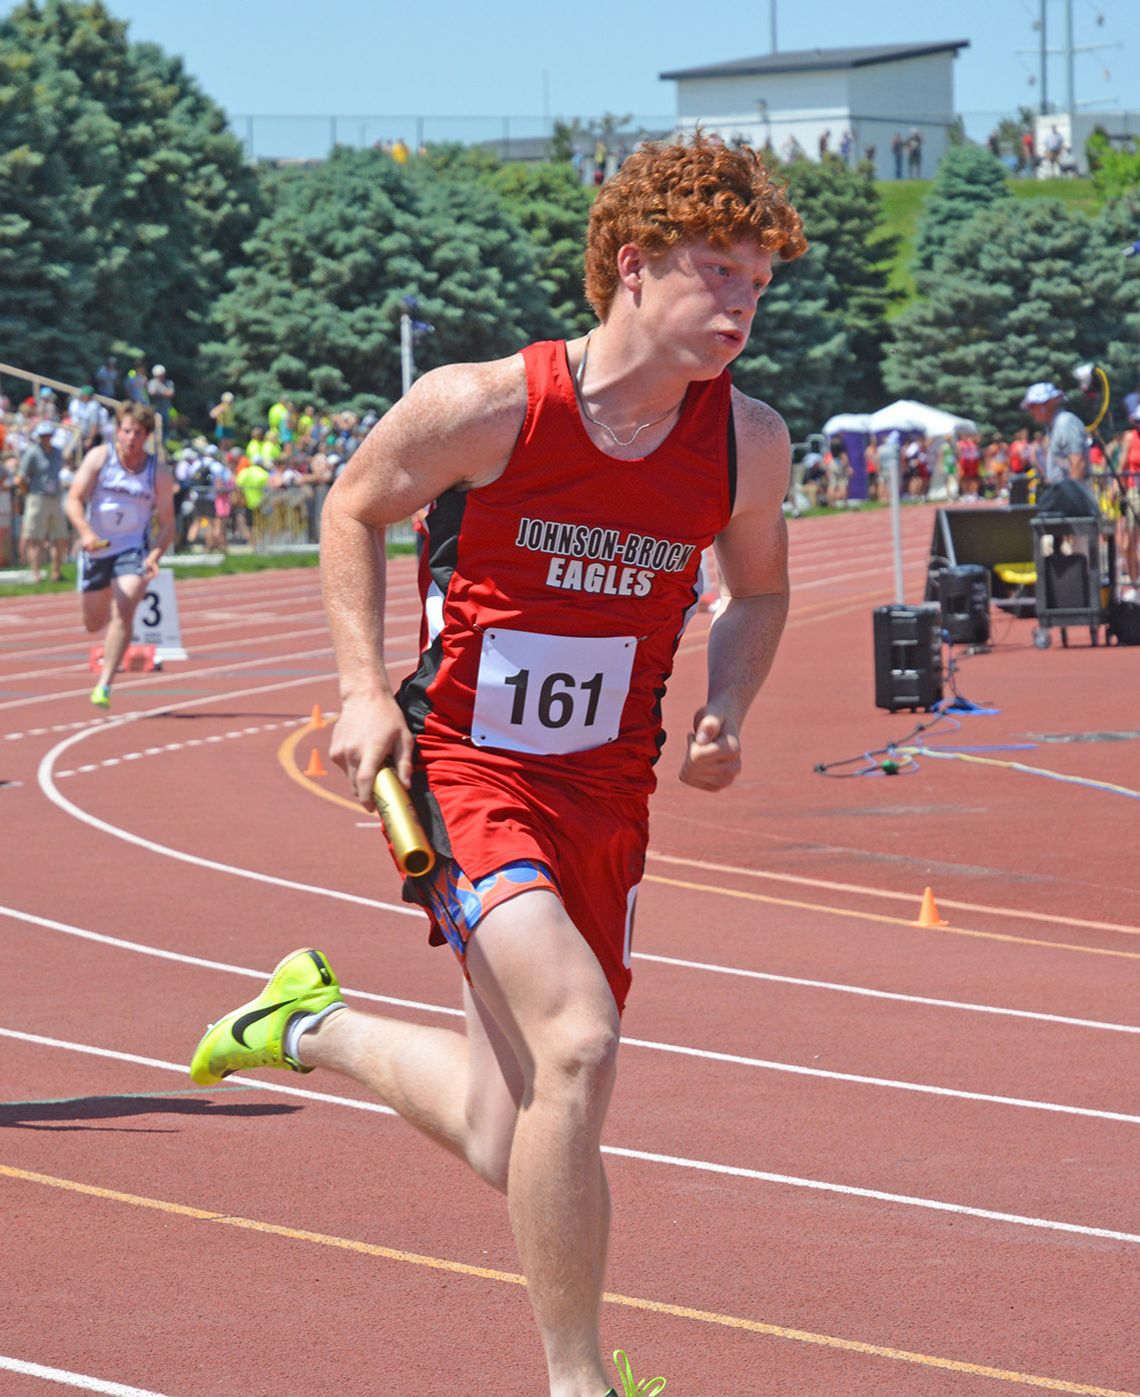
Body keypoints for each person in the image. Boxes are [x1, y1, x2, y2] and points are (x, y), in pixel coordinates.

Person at [189, 133, 804, 1397]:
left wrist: (728, 704)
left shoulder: (747, 443)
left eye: (757, 280)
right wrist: (364, 691)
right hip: (467, 770)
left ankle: (306, 1021)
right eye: (714, 270)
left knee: (508, 1122)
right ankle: (577, 1380)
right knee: (577, 1045)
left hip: (609, 794)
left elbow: (762, 589)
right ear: (633, 266)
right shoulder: (490, 406)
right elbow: (352, 507)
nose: (740, 303)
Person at [65, 402, 174, 708]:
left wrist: (154, 556)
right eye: (126, 431)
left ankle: (105, 684)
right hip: (97, 550)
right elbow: (73, 499)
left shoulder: (158, 474)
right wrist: (86, 533)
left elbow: (168, 524)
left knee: (125, 606)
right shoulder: (100, 458)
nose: (130, 438)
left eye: (138, 433)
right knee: (93, 623)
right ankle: (106, 652)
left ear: (147, 436)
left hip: (131, 549)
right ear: (117, 431)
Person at [1020, 381, 1094, 513]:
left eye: (1032, 406)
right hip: (1061, 492)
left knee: (1035, 519)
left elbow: (1078, 463)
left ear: (1046, 404)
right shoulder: (1052, 426)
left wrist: (1073, 504)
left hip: (1073, 497)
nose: (1030, 412)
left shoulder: (1064, 422)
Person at [16, 419, 70, 582]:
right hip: (37, 497)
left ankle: (56, 572)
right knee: (35, 538)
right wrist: (28, 494)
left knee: (59, 537)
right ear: (39, 437)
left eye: (48, 435)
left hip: (55, 498)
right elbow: (21, 477)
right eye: (43, 436)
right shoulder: (32, 452)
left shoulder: (58, 452)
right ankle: (36, 573)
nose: (45, 438)